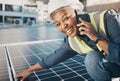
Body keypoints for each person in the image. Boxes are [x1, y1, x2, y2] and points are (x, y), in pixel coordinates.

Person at [16, 0, 120, 81]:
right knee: (91, 58)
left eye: (66, 18)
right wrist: (29, 70)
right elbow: (52, 59)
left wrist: (96, 37)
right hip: (115, 67)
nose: (63, 26)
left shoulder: (108, 19)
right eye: (58, 24)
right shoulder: (71, 42)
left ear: (75, 12)